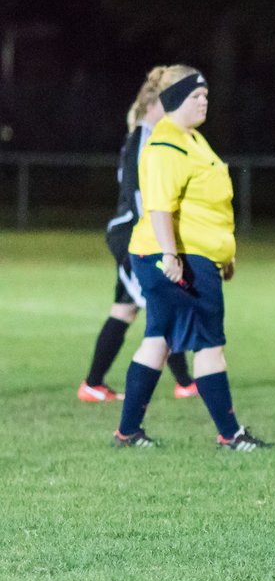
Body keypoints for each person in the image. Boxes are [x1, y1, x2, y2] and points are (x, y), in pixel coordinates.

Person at [111, 65, 273, 450]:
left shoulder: (191, 139)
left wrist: (223, 253)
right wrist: (171, 254)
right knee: (209, 344)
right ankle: (231, 436)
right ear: (173, 100)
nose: (204, 102)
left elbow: (206, 204)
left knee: (160, 338)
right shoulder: (169, 143)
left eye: (205, 96)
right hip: (178, 255)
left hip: (186, 254)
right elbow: (160, 207)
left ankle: (128, 432)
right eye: (195, 96)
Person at [80, 69, 198, 402]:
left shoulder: (152, 135)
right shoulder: (146, 137)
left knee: (125, 308)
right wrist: (163, 243)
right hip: (134, 234)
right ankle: (186, 382)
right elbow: (140, 196)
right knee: (164, 302)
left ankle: (93, 384)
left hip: (134, 233)